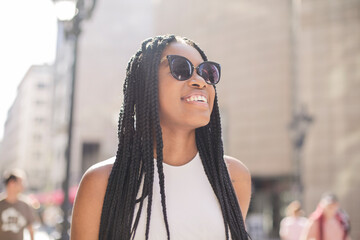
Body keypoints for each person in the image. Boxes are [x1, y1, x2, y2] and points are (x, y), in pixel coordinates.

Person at [70, 35, 252, 240]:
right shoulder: (101, 182)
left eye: (207, 73)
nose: (200, 81)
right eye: (181, 69)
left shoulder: (233, 177)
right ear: (146, 85)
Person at [0, 169, 37, 240]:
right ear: (12, 183)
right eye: (21, 182)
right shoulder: (1, 204)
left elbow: (31, 229)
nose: (23, 186)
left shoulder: (25, 204)